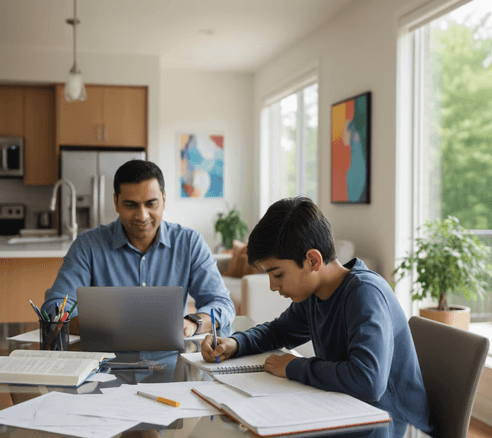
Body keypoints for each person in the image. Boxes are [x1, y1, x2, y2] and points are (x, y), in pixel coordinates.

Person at [201, 196, 434, 436]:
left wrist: (294, 367)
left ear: (313, 260)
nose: (272, 286)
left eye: (277, 274)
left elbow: (368, 382)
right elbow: (278, 331)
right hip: (347, 412)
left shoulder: (365, 294)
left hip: (392, 425)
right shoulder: (315, 294)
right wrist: (235, 342)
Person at [42, 160, 235, 338]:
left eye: (151, 204)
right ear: (116, 202)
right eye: (131, 205)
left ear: (164, 201)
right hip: (104, 360)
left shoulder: (190, 242)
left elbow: (222, 304)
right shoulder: (87, 245)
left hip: (171, 360)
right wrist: (103, 327)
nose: (142, 216)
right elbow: (55, 307)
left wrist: (194, 322)